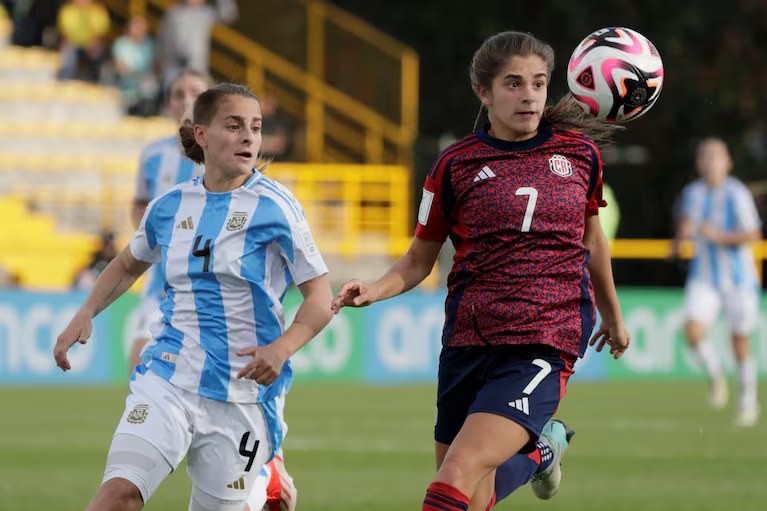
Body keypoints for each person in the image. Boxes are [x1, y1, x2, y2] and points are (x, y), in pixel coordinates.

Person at [331, 31, 631, 511]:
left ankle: (537, 448)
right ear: (484, 93)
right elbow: (417, 259)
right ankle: (540, 453)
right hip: (468, 342)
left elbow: (593, 239)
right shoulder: (455, 165)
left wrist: (613, 316)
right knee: (470, 497)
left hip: (543, 340)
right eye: (513, 83)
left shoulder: (580, 157)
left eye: (538, 82)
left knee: (456, 473)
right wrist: (374, 287)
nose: (529, 94)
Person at [53, 82, 332, 511]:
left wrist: (281, 349)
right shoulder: (169, 206)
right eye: (234, 125)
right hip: (168, 377)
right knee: (118, 494)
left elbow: (320, 296)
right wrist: (86, 312)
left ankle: (266, 478)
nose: (248, 137)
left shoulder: (277, 206)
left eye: (255, 128)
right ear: (201, 134)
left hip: (241, 394)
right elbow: (129, 262)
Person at [670, 137, 762, 427]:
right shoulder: (692, 193)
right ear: (699, 164)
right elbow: (687, 223)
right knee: (693, 332)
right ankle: (715, 372)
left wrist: (720, 237)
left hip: (739, 280)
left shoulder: (737, 193)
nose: (710, 162)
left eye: (716, 157)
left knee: (739, 343)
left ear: (728, 162)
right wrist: (680, 240)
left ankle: (748, 403)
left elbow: (753, 233)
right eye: (705, 157)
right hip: (705, 277)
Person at [157, 0, 238, 87]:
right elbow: (162, 38)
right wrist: (161, 60)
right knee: (174, 94)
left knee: (198, 95)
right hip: (173, 67)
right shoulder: (173, 13)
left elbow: (229, 15)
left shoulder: (206, 13)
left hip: (197, 66)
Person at [112, 15, 158, 116]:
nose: (138, 30)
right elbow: (121, 68)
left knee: (150, 86)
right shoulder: (121, 44)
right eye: (136, 27)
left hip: (145, 85)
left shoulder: (150, 45)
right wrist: (140, 75)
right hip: (125, 84)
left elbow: (155, 68)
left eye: (141, 28)